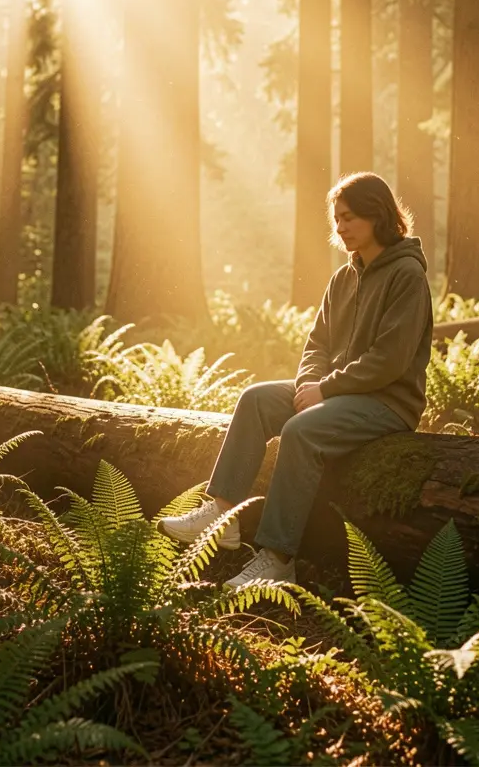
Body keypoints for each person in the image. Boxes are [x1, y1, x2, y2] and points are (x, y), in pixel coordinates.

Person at [159, 171, 434, 587]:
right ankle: (223, 513)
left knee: (300, 431)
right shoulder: (345, 277)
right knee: (255, 399)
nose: (339, 227)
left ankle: (278, 558)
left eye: (349, 218)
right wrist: (311, 385)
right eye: (336, 218)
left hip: (387, 403)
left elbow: (390, 360)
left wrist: (326, 389)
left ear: (377, 216)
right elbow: (317, 344)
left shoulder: (407, 276)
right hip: (336, 395)